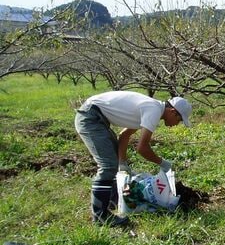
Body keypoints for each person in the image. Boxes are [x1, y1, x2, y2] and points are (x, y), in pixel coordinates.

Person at [74, 91, 192, 226]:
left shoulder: (151, 108)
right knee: (108, 166)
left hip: (96, 117)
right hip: (90, 118)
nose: (177, 124)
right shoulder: (153, 110)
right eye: (179, 120)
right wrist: (163, 163)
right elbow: (142, 148)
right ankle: (100, 217)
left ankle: (112, 202)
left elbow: (124, 136)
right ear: (172, 111)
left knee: (113, 161)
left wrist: (122, 163)